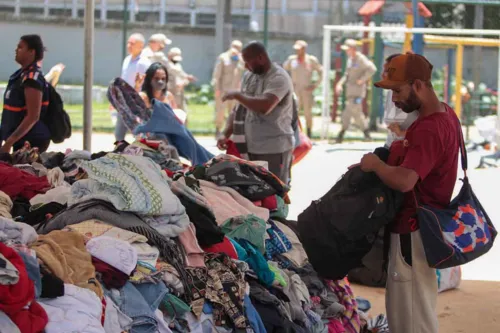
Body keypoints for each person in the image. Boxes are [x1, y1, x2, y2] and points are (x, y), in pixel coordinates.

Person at [359, 53, 459, 333]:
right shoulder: (446, 114)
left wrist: (376, 165)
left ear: (418, 85)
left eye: (397, 90)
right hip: (423, 226)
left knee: (411, 318)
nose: (394, 99)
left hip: (412, 230)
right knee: (413, 310)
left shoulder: (429, 128)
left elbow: (405, 181)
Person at [218, 41, 295, 183]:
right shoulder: (250, 76)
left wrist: (237, 95)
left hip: (274, 149)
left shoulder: (278, 78)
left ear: (260, 58)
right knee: (255, 192)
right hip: (251, 147)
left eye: (248, 62)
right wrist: (226, 133)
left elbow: (265, 106)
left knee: (275, 192)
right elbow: (239, 108)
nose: (246, 66)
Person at [0, 35, 51, 153]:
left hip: (30, 140)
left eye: (20, 47)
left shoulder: (32, 79)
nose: (16, 50)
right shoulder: (19, 75)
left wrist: (9, 142)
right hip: (17, 139)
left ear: (31, 52)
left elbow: (33, 116)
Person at [335, 39, 376, 143]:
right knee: (357, 114)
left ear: (352, 49)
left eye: (347, 49)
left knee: (347, 112)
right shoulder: (350, 60)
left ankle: (341, 134)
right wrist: (340, 84)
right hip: (350, 91)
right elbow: (346, 74)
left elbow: (372, 69)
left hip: (358, 93)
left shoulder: (360, 59)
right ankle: (367, 134)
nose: (346, 51)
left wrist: (363, 79)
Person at [115, 33, 151, 142]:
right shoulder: (127, 60)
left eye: (132, 43)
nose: (129, 45)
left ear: (141, 46)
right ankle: (119, 154)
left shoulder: (144, 63)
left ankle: (139, 155)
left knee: (138, 134)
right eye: (128, 42)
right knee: (119, 133)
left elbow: (147, 84)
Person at [283, 40, 323, 138]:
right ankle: (293, 133)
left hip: (306, 90)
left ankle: (309, 133)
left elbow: (321, 72)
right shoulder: (292, 60)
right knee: (292, 112)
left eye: (299, 49)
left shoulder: (311, 60)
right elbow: (284, 69)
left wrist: (315, 85)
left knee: (307, 113)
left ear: (304, 49)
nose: (297, 51)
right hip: (295, 90)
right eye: (296, 49)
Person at [382, 54, 418, 148]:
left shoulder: (416, 94)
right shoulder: (391, 91)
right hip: (391, 145)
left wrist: (402, 133)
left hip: (409, 148)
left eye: (386, 71)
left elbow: (429, 128)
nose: (382, 75)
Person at [212, 40, 245, 137]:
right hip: (224, 90)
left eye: (238, 47)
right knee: (220, 111)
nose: (236, 49)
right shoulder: (223, 57)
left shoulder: (240, 59)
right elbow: (217, 75)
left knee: (233, 111)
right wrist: (217, 89)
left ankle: (230, 132)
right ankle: (218, 129)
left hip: (236, 91)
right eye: (234, 46)